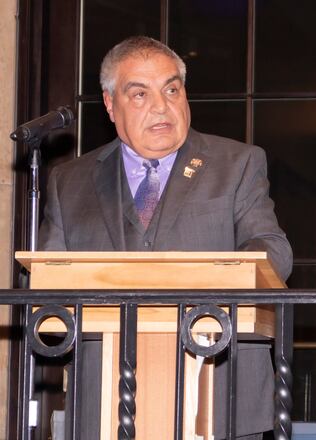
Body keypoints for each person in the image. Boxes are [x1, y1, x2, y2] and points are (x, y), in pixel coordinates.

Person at [38, 36, 292, 439]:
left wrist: (214, 280)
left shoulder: (237, 163)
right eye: (139, 94)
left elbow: (273, 249)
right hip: (106, 395)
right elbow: (45, 287)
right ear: (109, 105)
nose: (161, 106)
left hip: (218, 389)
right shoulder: (69, 181)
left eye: (171, 89)